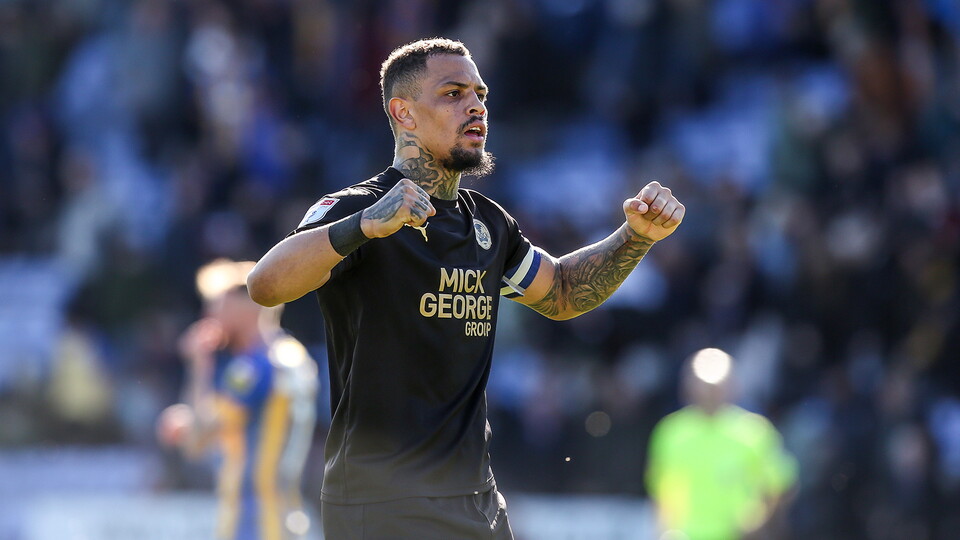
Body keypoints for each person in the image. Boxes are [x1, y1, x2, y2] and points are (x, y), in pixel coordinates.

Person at [247, 37, 685, 539]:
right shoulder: (356, 208)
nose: (476, 106)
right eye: (453, 93)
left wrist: (636, 237)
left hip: (476, 499)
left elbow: (564, 293)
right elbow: (265, 286)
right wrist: (365, 225)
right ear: (403, 113)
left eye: (480, 94)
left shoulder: (490, 223)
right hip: (382, 502)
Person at [157, 259, 318, 540]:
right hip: (284, 512)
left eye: (216, 304)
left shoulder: (253, 367)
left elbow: (197, 439)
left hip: (256, 521)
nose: (209, 315)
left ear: (246, 305)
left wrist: (199, 365)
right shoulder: (292, 355)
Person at [646, 348, 798, 540]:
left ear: (732, 386)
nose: (709, 393)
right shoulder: (671, 432)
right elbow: (660, 489)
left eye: (715, 387)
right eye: (703, 386)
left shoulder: (754, 431)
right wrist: (665, 530)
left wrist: (758, 523)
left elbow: (780, 485)